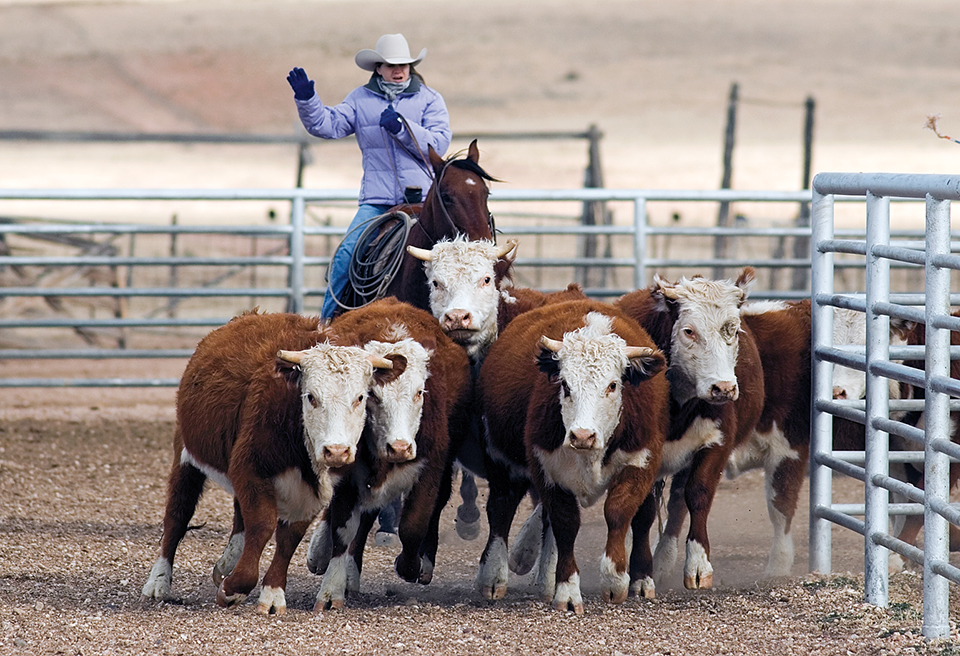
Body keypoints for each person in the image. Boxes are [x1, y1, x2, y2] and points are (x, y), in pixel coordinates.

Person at [287, 33, 452, 321]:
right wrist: (307, 100)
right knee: (345, 258)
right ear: (378, 68)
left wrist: (403, 128)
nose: (398, 71)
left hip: (424, 201)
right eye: (391, 65)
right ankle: (326, 326)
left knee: (456, 261)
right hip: (377, 202)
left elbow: (438, 145)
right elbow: (327, 125)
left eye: (404, 65)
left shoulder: (429, 99)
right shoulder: (360, 99)